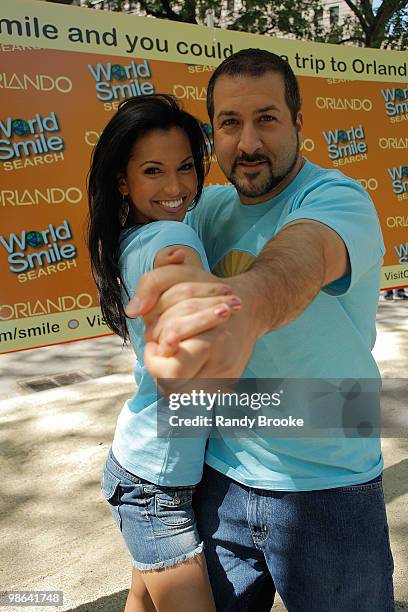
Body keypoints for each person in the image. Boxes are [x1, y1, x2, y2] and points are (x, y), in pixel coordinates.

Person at [126, 50, 395, 611]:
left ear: (299, 122)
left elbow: (299, 259)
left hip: (331, 487)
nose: (247, 143)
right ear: (213, 135)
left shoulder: (337, 199)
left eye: (266, 119)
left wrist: (243, 306)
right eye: (229, 123)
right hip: (219, 479)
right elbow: (166, 257)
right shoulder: (206, 208)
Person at [87, 94, 241, 612]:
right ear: (123, 182)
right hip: (155, 488)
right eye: (154, 171)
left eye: (184, 168)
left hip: (147, 468)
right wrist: (191, 295)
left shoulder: (129, 237)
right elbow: (175, 267)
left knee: (143, 603)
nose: (176, 188)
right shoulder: (170, 236)